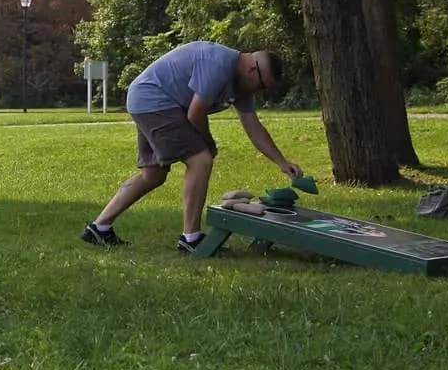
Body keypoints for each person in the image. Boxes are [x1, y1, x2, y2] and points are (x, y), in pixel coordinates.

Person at [81, 41, 303, 253]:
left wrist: (281, 162)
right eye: (262, 86)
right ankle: (191, 238)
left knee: (154, 174)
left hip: (147, 99)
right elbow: (195, 112)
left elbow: (253, 126)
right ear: (253, 70)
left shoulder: (240, 84)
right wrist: (207, 141)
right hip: (156, 100)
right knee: (201, 160)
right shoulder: (218, 63)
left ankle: (99, 228)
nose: (259, 92)